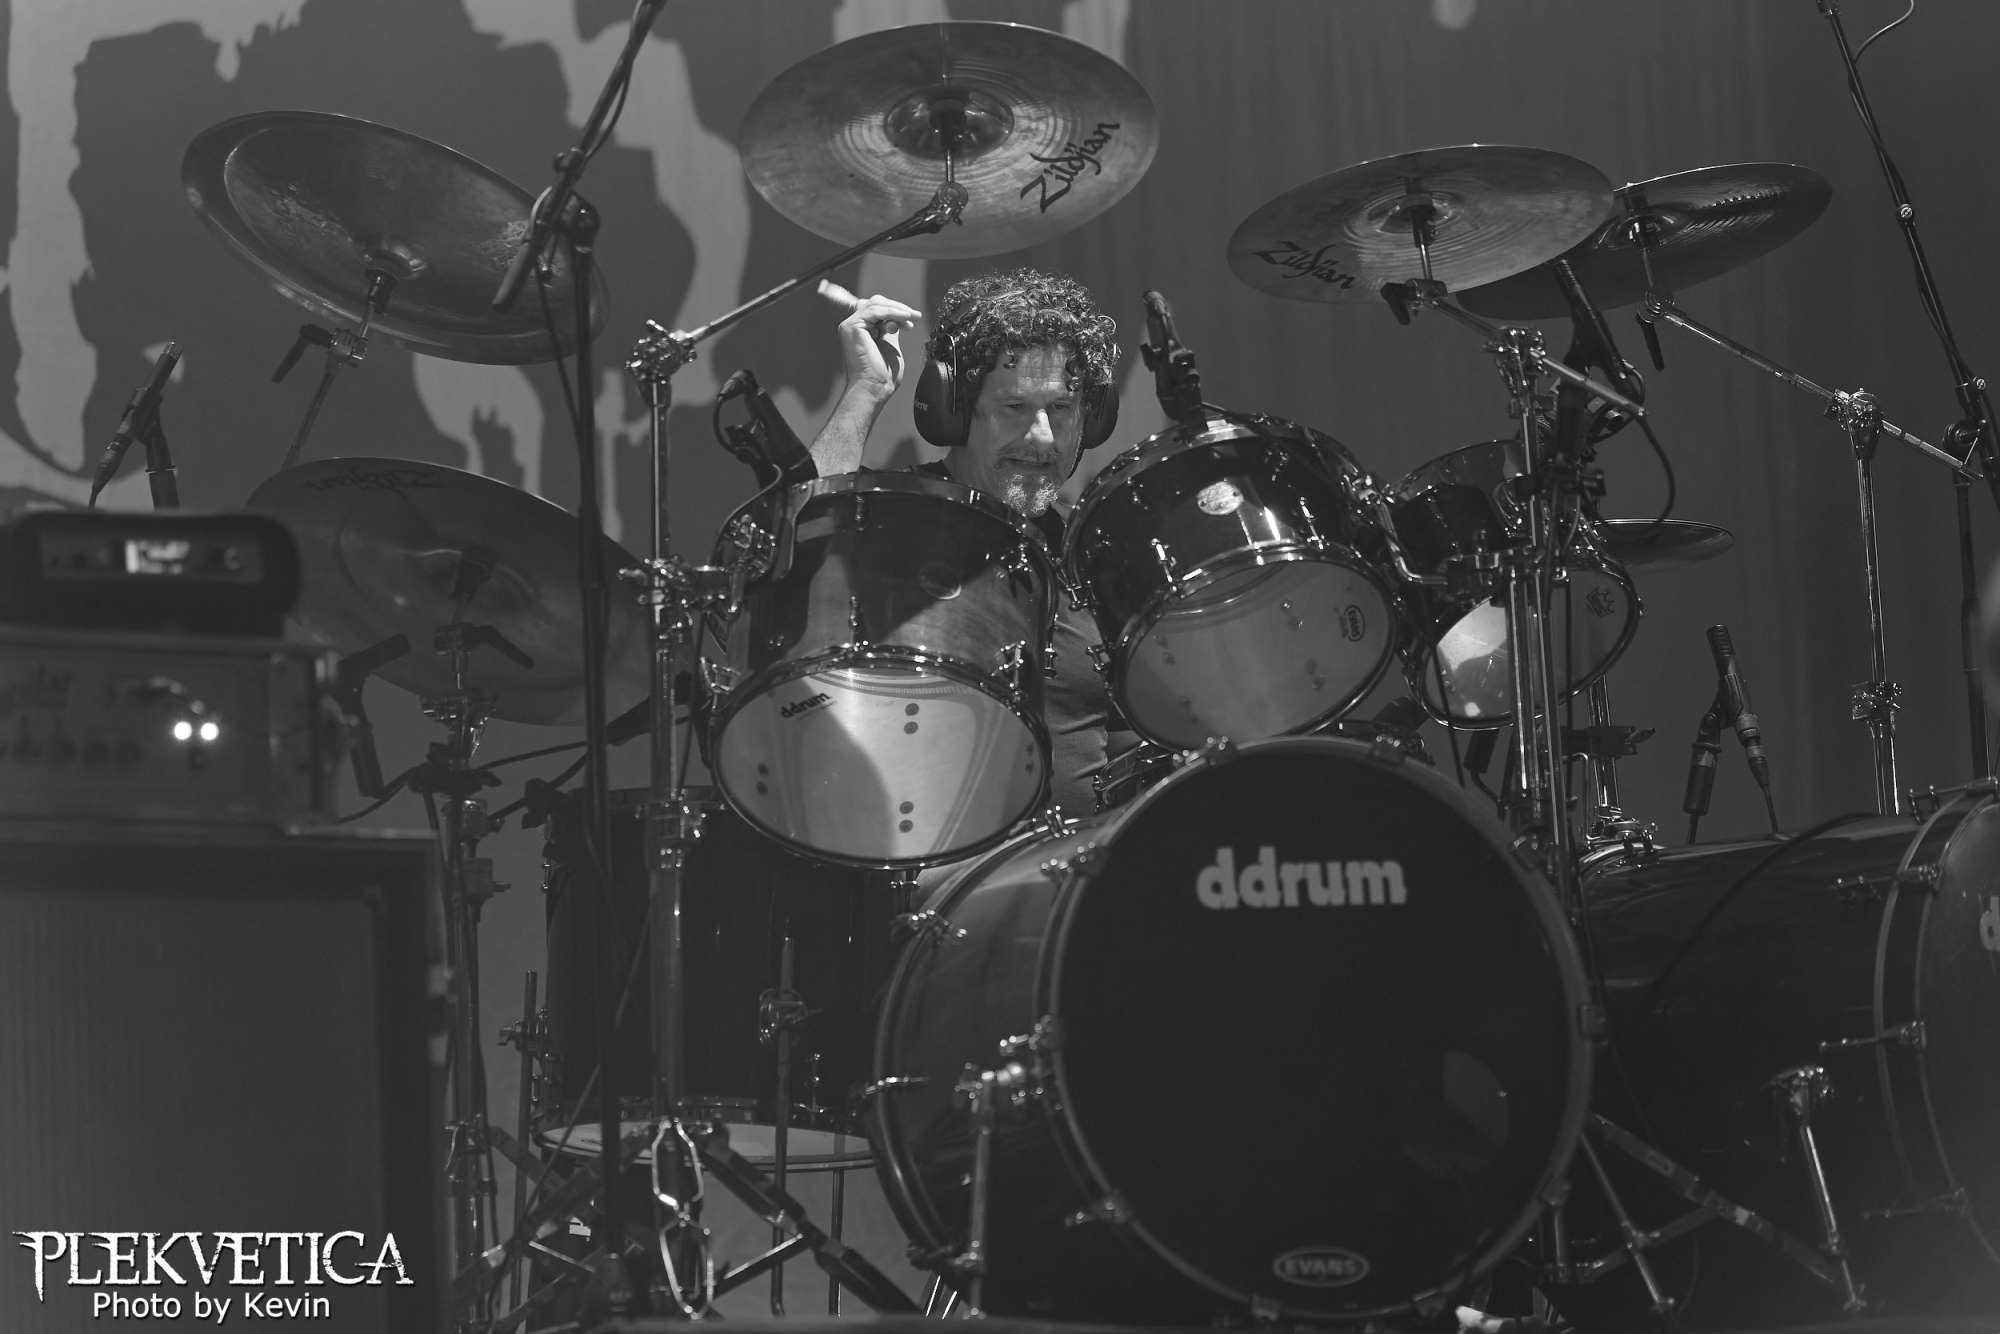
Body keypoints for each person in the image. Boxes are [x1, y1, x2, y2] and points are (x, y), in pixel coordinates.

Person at [809, 267, 1137, 824]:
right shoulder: (894, 518)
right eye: (1014, 408)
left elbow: (1131, 747)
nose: (1041, 437)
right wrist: (866, 391)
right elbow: (789, 557)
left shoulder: (1096, 555)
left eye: (1061, 409)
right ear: (956, 410)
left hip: (1077, 869)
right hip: (919, 866)